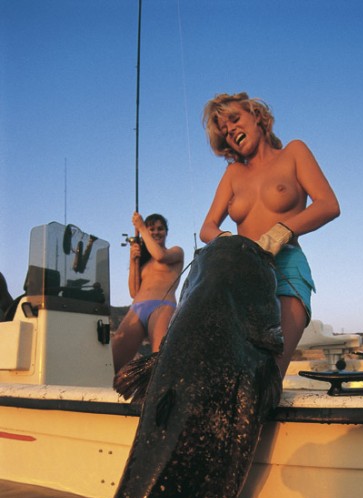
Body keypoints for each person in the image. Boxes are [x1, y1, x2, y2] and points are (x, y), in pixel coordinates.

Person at [200, 92, 340, 378]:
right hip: (242, 275)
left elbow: (328, 205)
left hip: (286, 268)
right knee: (231, 372)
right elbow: (207, 228)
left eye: (235, 119)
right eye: (225, 131)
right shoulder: (233, 174)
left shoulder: (294, 152)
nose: (231, 130)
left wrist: (283, 231)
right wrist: (229, 241)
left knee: (268, 374)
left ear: (257, 116)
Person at [111, 212, 184, 373]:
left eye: (160, 228)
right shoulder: (144, 262)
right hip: (136, 308)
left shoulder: (176, 252)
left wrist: (142, 228)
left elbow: (160, 255)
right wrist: (133, 260)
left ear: (166, 232)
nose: (156, 232)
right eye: (152, 229)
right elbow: (133, 292)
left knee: (160, 361)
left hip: (162, 306)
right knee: (112, 363)